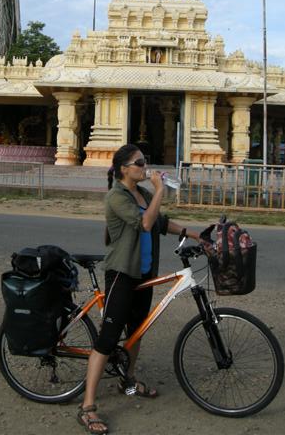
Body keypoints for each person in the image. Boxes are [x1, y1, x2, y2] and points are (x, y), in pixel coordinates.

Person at [77, 144, 200, 434]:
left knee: (136, 332)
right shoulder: (116, 197)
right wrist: (160, 190)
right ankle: (88, 407)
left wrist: (196, 233)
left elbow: (160, 222)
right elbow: (145, 223)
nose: (144, 167)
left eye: (145, 162)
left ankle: (128, 381)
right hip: (122, 273)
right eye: (139, 163)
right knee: (107, 340)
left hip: (144, 273)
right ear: (123, 169)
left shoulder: (141, 194)